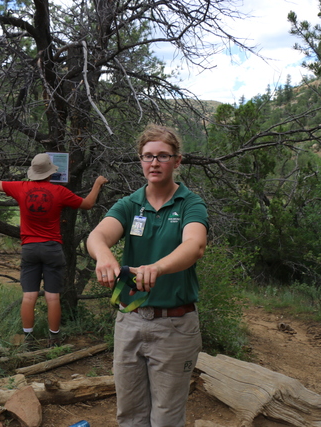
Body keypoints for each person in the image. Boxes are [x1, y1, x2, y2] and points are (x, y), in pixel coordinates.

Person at [86, 124, 208, 426]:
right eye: (148, 156)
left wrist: (157, 267)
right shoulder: (130, 204)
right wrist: (104, 255)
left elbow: (194, 245)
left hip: (175, 325)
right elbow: (97, 236)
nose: (154, 162)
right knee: (129, 413)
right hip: (129, 320)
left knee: (166, 417)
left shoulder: (190, 203)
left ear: (177, 161)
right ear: (140, 160)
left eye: (163, 156)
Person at [0, 153, 108, 347]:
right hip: (52, 248)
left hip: (29, 248)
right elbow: (88, 204)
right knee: (52, 297)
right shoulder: (59, 191)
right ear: (50, 173)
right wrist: (97, 184)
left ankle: (28, 339)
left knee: (29, 296)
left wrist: (15, 184)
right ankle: (54, 338)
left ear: (33, 172)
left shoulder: (21, 187)